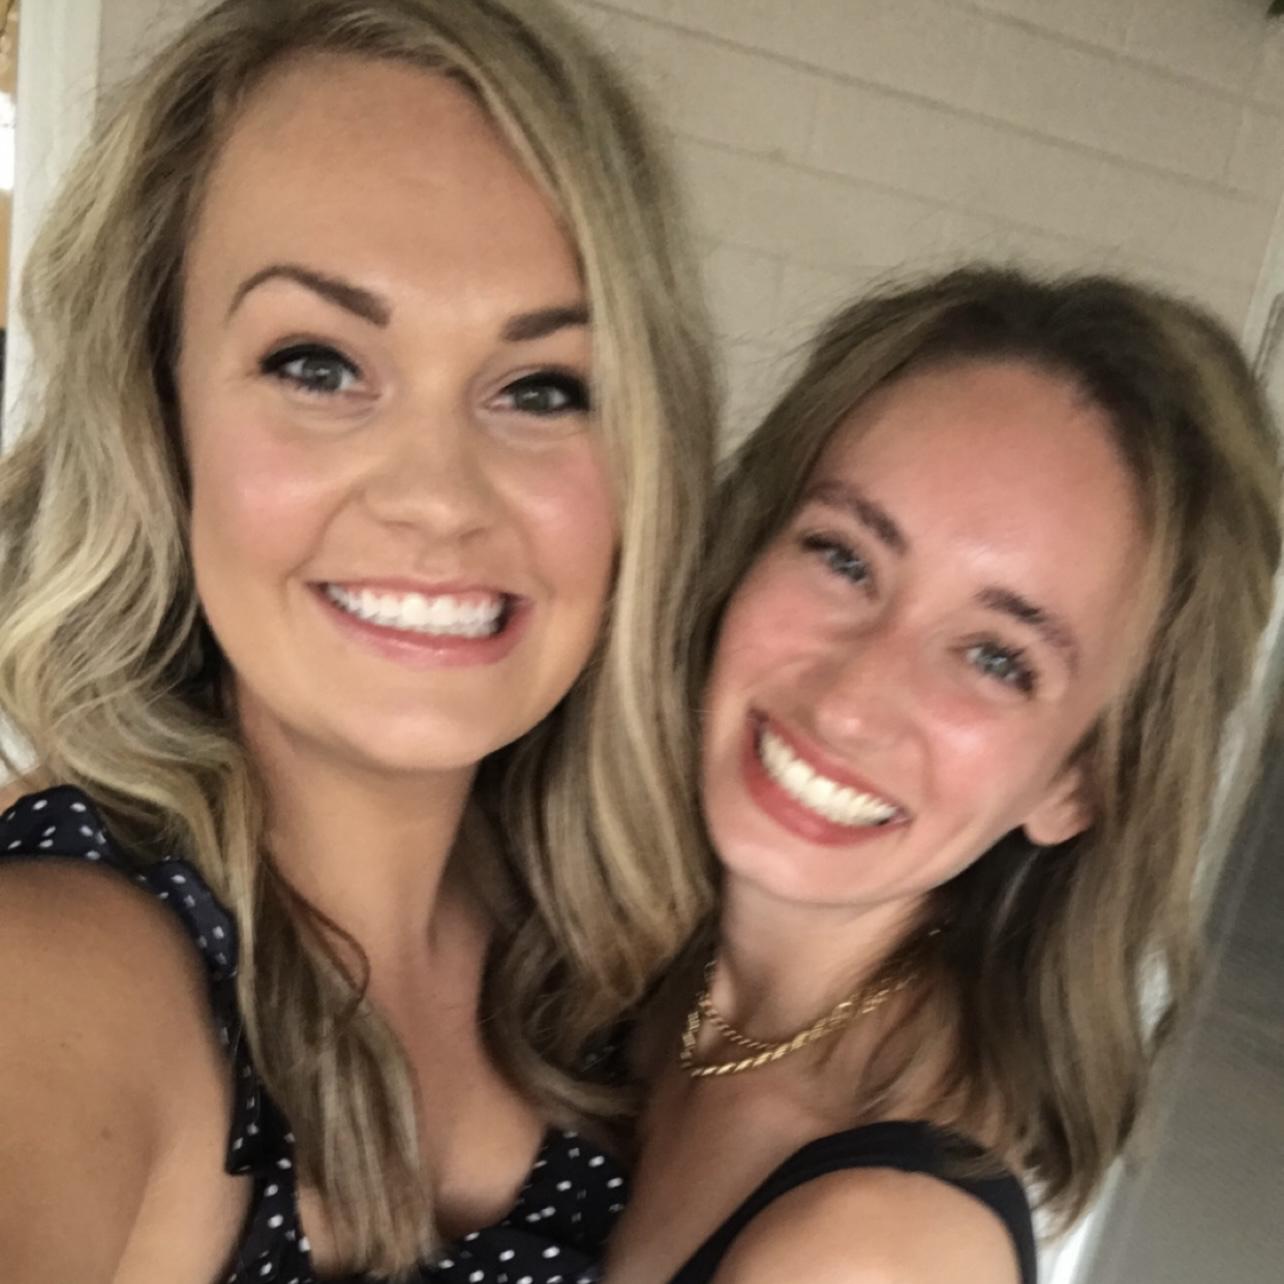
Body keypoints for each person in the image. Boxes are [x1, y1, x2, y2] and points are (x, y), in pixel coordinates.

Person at [0, 1, 716, 1281]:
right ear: (160, 418)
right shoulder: (57, 968)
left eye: (542, 388)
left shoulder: (607, 944)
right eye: (318, 366)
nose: (438, 497)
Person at [605, 268, 1282, 1284]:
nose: (849, 701)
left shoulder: (883, 1249)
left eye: (998, 659)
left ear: (1080, 783)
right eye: (843, 557)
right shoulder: (613, 960)